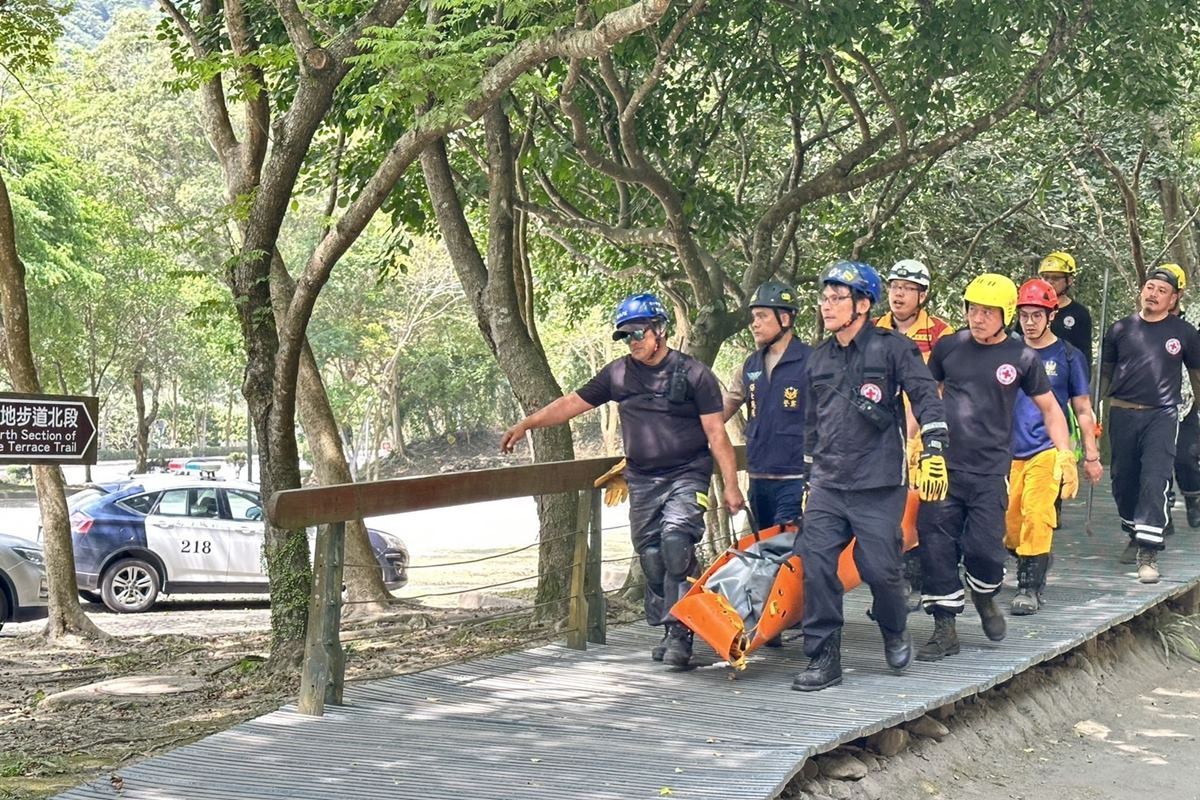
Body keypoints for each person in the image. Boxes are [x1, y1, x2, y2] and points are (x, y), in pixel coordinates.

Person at [500, 293, 744, 667]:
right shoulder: (618, 373)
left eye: (638, 334)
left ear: (659, 330)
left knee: (677, 545)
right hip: (642, 479)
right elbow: (570, 404)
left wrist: (730, 485)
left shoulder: (695, 374)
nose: (633, 342)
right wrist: (527, 423)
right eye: (626, 336)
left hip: (687, 473)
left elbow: (717, 435)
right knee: (651, 556)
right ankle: (671, 626)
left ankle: (682, 634)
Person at [791, 261, 949, 691]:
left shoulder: (893, 348)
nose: (827, 306)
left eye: (837, 298)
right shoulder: (817, 358)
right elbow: (810, 424)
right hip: (827, 482)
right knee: (818, 565)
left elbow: (925, 397)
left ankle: (895, 629)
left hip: (879, 483)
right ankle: (824, 657)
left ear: (862, 304)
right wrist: (806, 479)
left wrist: (933, 446)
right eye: (824, 298)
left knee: (880, 569)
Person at [917, 273, 1075, 661]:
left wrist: (1067, 454)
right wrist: (912, 443)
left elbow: (1051, 410)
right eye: (972, 309)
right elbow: (926, 398)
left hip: (990, 471)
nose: (977, 317)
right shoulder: (948, 347)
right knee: (935, 545)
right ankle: (944, 628)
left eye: (987, 311)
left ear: (1005, 314)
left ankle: (986, 597)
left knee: (985, 549)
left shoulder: (1022, 358)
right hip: (943, 467)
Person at [1006, 279, 1103, 615]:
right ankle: (1034, 556)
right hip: (1006, 450)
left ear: (1051, 316)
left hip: (1047, 448)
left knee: (1037, 515)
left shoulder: (1067, 355)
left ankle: (1029, 588)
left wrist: (1089, 454)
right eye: (1024, 315)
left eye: (1037, 315)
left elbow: (1082, 408)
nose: (1029, 322)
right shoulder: (1007, 351)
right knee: (1011, 524)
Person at [1100, 268, 1200, 583]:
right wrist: (1089, 411)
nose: (1153, 294)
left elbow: (1197, 376)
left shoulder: (1184, 332)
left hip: (1162, 414)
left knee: (1154, 480)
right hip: (1122, 412)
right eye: (1149, 287)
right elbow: (1104, 374)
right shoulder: (1119, 330)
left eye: (1161, 290)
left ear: (1173, 298)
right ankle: (1133, 528)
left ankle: (1148, 553)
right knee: (1122, 480)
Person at [875, 259, 956, 610]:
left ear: (922, 294)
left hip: (925, 431)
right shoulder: (872, 328)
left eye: (907, 288)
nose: (898, 294)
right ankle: (897, 577)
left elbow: (949, 384)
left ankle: (922, 573)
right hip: (883, 431)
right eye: (894, 287)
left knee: (925, 502)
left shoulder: (941, 333)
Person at [723, 280, 812, 531]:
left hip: (796, 479)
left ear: (784, 318)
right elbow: (726, 407)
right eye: (754, 317)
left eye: (762, 316)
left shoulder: (812, 361)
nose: (755, 323)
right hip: (758, 477)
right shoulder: (750, 365)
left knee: (787, 551)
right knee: (764, 551)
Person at [1158, 264, 1200, 530]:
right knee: (1155, 459)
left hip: (1187, 398)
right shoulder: (1143, 321)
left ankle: (1194, 498)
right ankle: (1162, 512)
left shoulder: (1194, 320)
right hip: (1154, 400)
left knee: (1186, 455)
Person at [1038, 251, 1094, 370]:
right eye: (1046, 277)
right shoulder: (1031, 309)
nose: (1049, 282)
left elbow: (1084, 356)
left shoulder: (1079, 313)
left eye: (1055, 278)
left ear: (1069, 280)